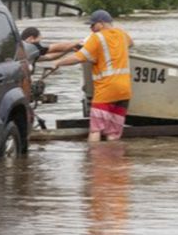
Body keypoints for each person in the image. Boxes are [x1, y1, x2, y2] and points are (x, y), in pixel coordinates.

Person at [53, 10, 133, 142]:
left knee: (96, 130)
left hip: (106, 91)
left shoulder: (96, 38)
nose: (90, 28)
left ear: (101, 24)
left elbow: (78, 58)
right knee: (113, 133)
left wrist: (58, 63)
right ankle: (114, 160)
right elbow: (130, 44)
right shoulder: (122, 34)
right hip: (124, 91)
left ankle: (94, 161)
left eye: (92, 25)